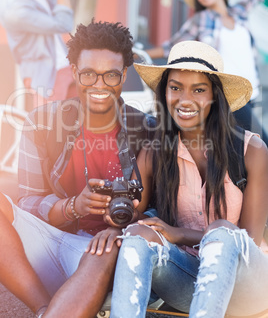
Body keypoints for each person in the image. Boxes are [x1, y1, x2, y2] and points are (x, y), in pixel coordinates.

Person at [0, 20, 155, 317]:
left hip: (109, 253)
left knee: (105, 248)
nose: (99, 85)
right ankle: (44, 308)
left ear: (124, 74)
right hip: (48, 244)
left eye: (111, 75)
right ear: (74, 72)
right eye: (88, 74)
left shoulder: (146, 130)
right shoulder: (42, 122)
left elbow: (159, 211)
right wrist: (73, 206)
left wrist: (125, 221)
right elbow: (28, 202)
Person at [110, 40, 268, 318]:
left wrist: (180, 234)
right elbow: (132, 216)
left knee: (223, 231)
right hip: (186, 280)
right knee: (137, 235)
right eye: (175, 88)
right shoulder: (155, 152)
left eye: (198, 90)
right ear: (164, 92)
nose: (185, 100)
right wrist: (112, 210)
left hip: (246, 288)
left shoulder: (251, 151)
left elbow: (250, 242)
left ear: (215, 96)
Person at [146, 0, 268, 145]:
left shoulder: (238, 12)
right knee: (261, 144)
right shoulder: (201, 19)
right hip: (227, 92)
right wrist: (134, 53)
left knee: (240, 149)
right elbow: (170, 47)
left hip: (251, 91)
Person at [0, 0, 75, 107]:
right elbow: (64, 23)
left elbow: (57, 9)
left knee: (79, 130)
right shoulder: (13, 8)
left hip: (66, 69)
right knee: (55, 131)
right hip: (47, 78)